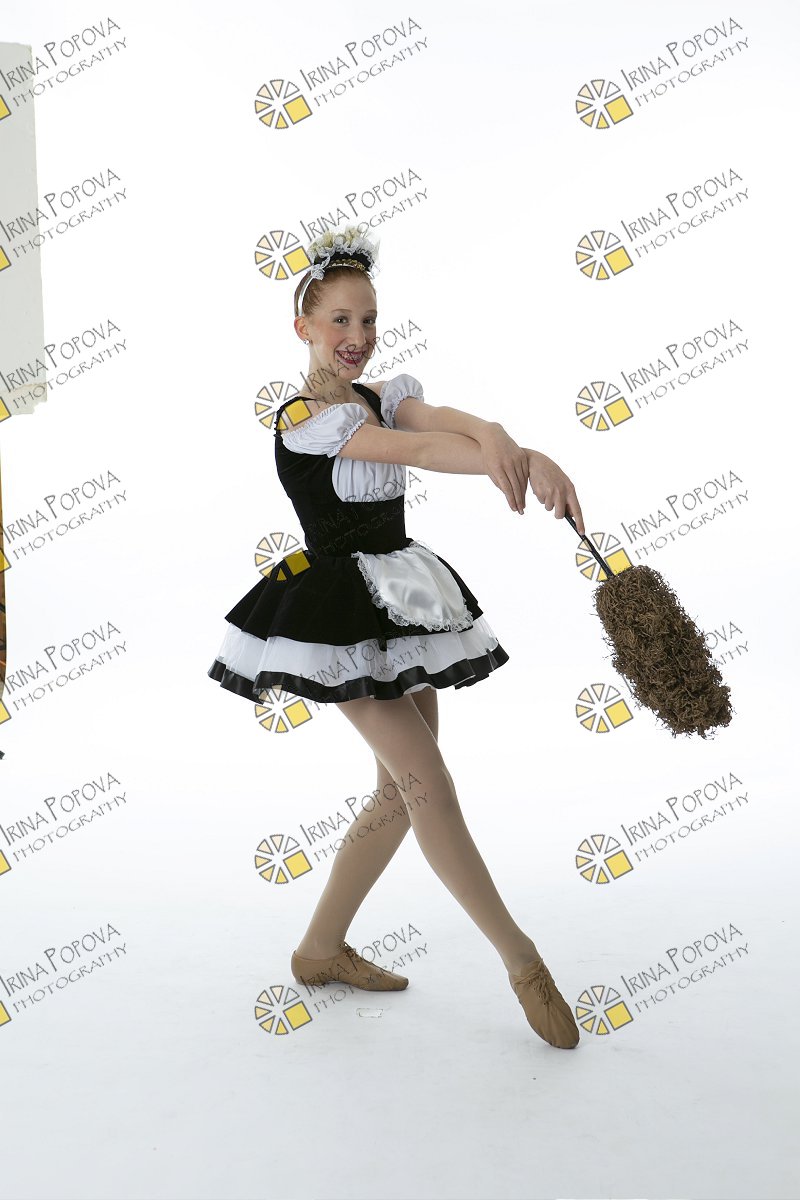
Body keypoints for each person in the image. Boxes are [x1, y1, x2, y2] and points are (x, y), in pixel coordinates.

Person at [208, 225, 587, 1049]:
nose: (358, 336)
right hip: (337, 615)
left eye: (370, 320)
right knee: (428, 785)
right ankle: (522, 961)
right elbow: (419, 449)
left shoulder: (381, 393)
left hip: (401, 600)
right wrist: (510, 459)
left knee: (398, 793)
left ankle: (319, 951)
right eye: (340, 320)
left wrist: (515, 444)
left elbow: (442, 420)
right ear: (304, 327)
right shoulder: (304, 419)